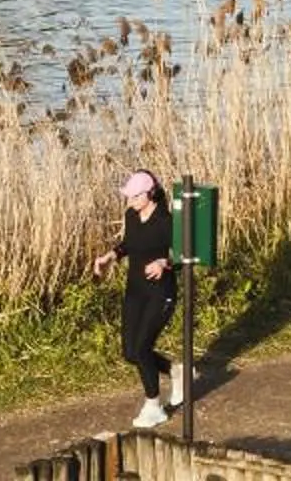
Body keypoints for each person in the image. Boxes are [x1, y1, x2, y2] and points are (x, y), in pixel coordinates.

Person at [87, 168, 176, 429]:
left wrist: (164, 262)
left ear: (151, 193)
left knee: (142, 348)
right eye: (129, 196)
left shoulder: (166, 221)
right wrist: (110, 256)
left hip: (161, 292)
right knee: (130, 352)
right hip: (136, 290)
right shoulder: (131, 215)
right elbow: (129, 243)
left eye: (136, 196)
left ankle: (154, 405)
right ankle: (176, 371)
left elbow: (184, 254)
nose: (131, 201)